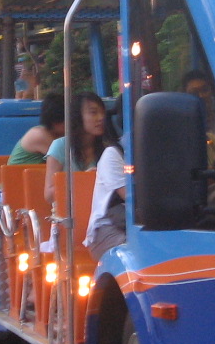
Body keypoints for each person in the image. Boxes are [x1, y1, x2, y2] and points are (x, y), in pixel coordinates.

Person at [45, 92, 112, 226]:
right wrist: (82, 181)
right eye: (93, 113)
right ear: (77, 117)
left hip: (100, 218)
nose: (100, 118)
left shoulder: (108, 150)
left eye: (102, 113)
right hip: (67, 219)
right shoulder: (60, 147)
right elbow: (49, 194)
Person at [84, 139, 129, 260]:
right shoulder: (113, 154)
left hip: (136, 227)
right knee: (143, 252)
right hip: (107, 229)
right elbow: (131, 199)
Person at [7, 93, 65, 165]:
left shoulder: (56, 134)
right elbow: (68, 160)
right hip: (17, 175)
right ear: (55, 121)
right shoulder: (40, 135)